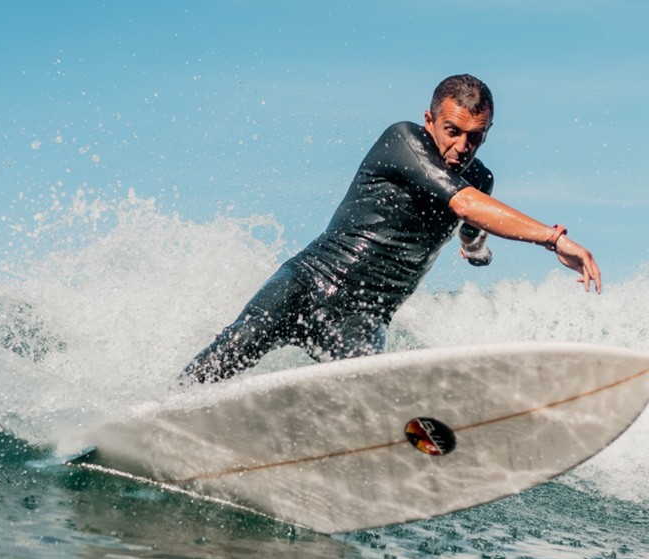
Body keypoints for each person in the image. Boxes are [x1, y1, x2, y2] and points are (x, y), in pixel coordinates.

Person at [182, 74, 601, 384]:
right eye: (452, 131)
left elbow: (473, 223)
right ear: (430, 120)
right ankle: (164, 411)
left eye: (475, 137)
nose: (461, 147)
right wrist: (553, 238)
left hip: (363, 316)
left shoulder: (481, 181)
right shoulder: (403, 140)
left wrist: (477, 253)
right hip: (308, 283)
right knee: (230, 351)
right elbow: (464, 203)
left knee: (364, 391)